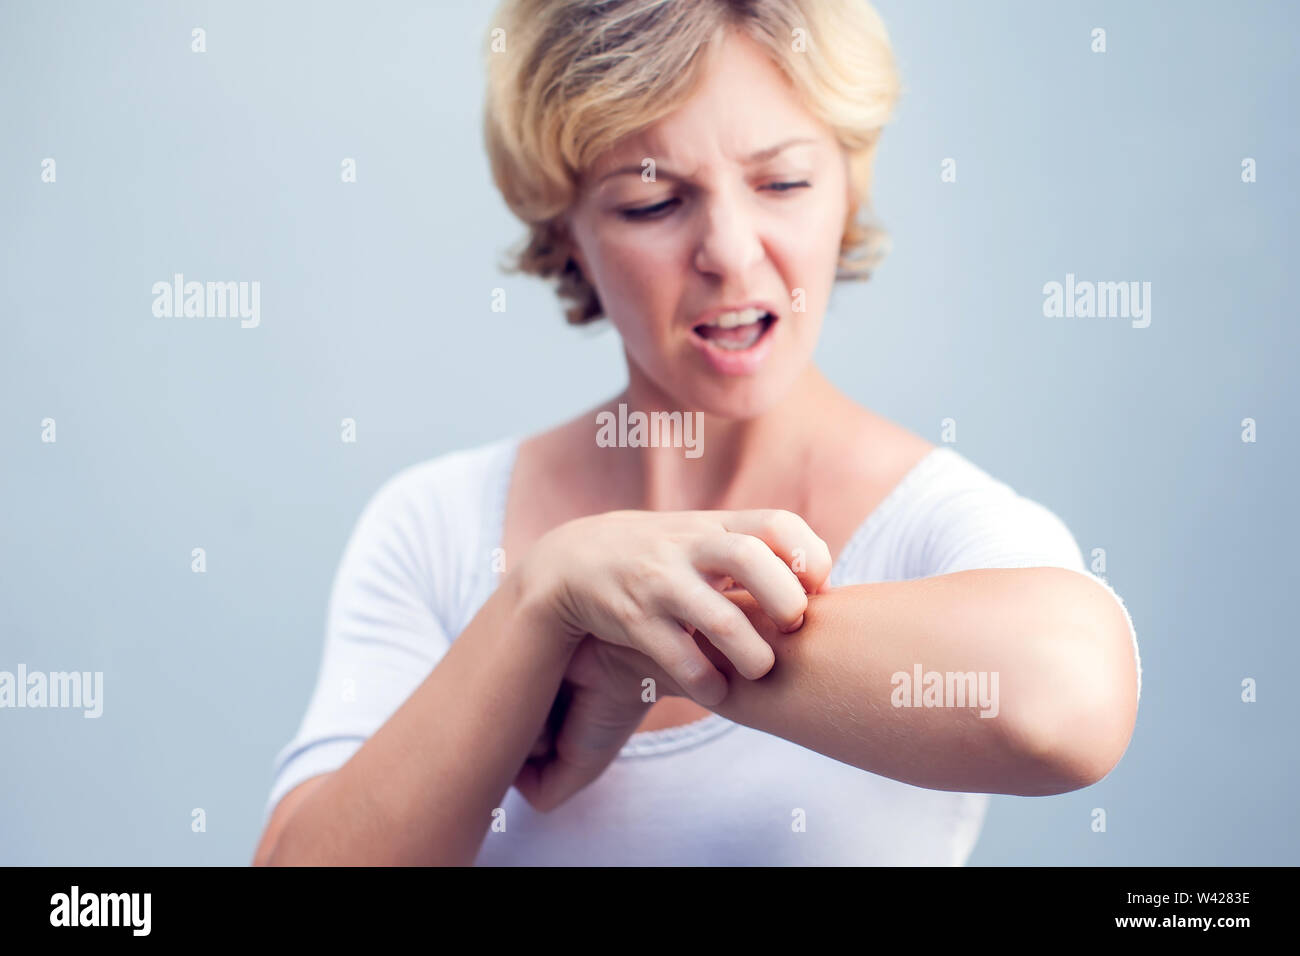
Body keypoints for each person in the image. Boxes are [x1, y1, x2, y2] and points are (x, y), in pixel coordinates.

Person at [254, 0, 1141, 866]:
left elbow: (1070, 698)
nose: (730, 251)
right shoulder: (435, 526)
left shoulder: (935, 526)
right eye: (651, 204)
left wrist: (656, 646)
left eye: (783, 183)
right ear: (566, 234)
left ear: (847, 188)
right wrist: (542, 600)